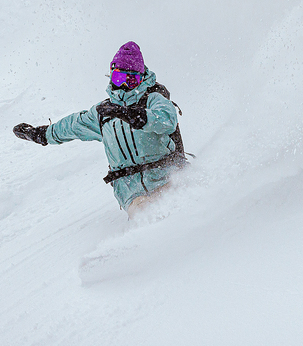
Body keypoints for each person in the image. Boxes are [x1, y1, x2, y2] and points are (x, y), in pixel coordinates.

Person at [13, 42, 187, 217]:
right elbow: (72, 125)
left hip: (167, 178)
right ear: (111, 77)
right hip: (132, 193)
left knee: (175, 210)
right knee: (146, 214)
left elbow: (166, 120)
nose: (124, 86)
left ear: (142, 79)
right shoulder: (103, 115)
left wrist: (129, 114)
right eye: (119, 79)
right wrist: (40, 134)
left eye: (131, 80)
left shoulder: (153, 100)